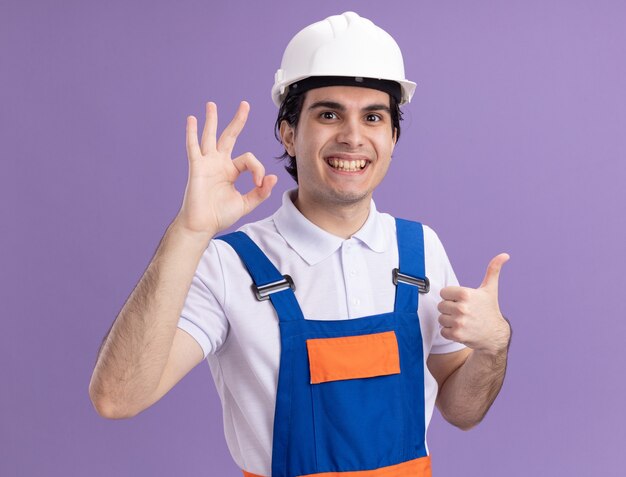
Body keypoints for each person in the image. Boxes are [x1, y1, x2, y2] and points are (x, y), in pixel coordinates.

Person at [89, 11, 511, 477]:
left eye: (373, 117)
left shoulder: (421, 250)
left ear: (392, 137)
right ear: (288, 133)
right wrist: (189, 232)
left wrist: (494, 345)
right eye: (329, 114)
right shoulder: (230, 265)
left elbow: (462, 411)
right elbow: (117, 398)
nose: (353, 137)